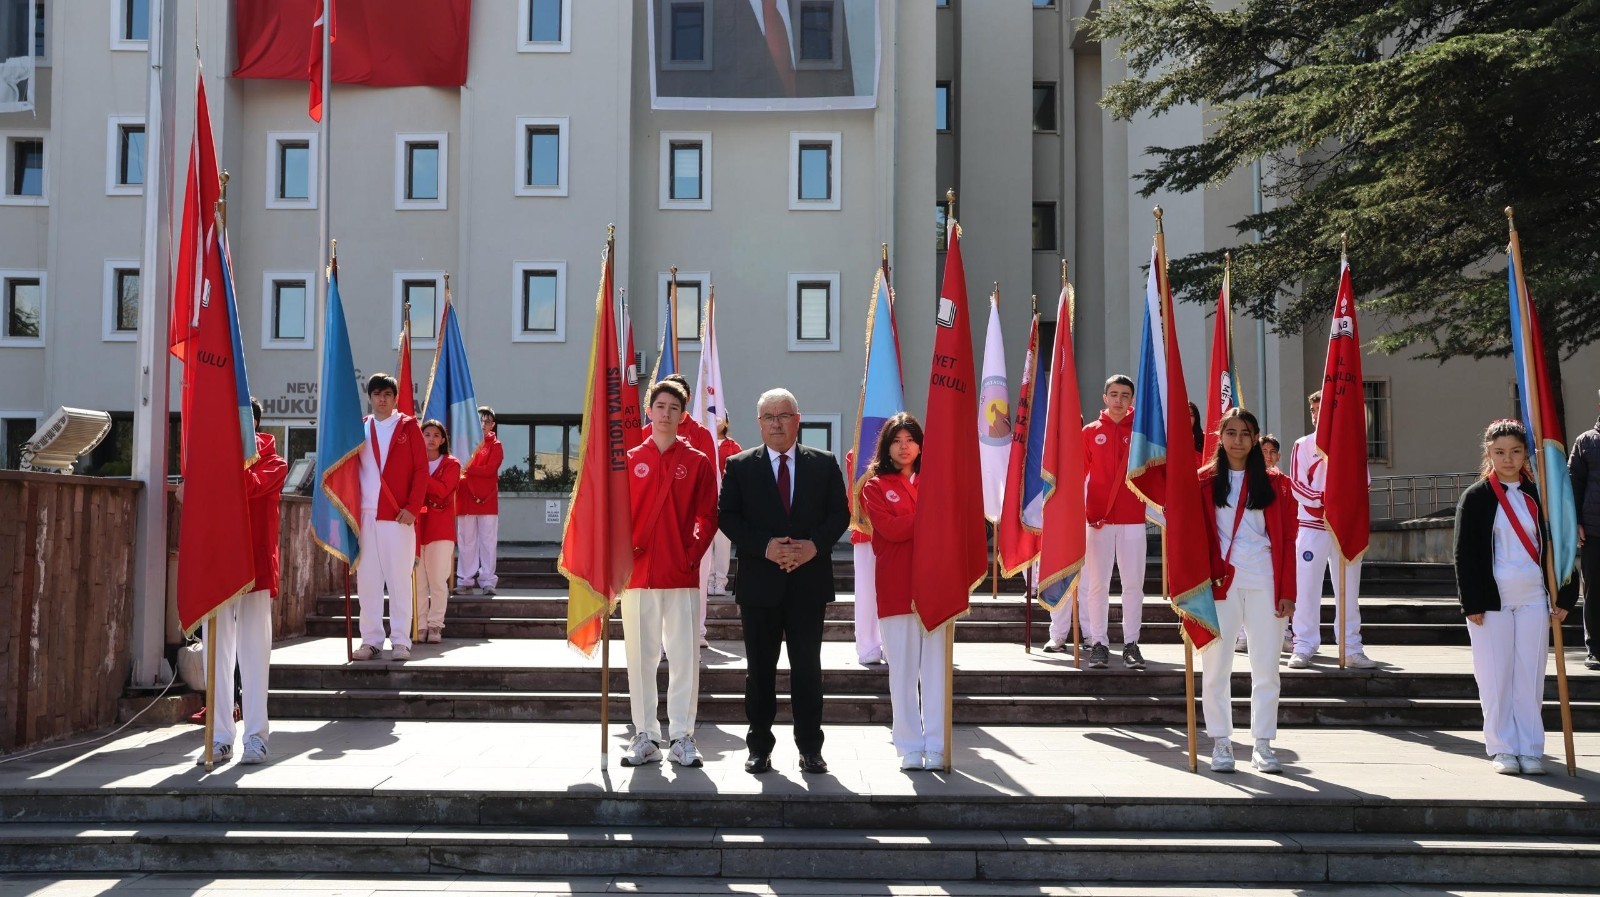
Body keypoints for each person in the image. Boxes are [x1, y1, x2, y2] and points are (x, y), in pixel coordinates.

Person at [719, 388, 850, 775]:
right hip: (760, 586)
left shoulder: (823, 463)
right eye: (769, 417)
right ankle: (759, 747)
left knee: (807, 670)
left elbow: (839, 515)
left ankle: (810, 747)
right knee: (760, 671)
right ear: (759, 423)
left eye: (784, 415)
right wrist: (766, 547)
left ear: (798, 419)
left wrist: (813, 547)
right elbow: (728, 517)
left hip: (808, 584)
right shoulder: (740, 466)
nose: (776, 423)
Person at [1454, 418, 1578, 774]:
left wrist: (1565, 595)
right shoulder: (1475, 497)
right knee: (1495, 676)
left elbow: (1563, 545)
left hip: (1534, 598)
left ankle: (1530, 748)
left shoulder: (1541, 496)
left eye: (1515, 451)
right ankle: (1502, 747)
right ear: (1488, 454)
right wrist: (1471, 602)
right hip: (1491, 601)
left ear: (1526, 454)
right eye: (1499, 452)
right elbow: (1464, 553)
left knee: (1529, 676)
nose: (1507, 459)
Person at [620, 380, 718, 768]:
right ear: (649, 410)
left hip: (680, 575)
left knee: (683, 658)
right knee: (640, 658)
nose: (665, 413)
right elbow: (615, 515)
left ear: (682, 415)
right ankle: (645, 734)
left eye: (673, 408)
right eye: (660, 406)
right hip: (637, 576)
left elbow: (708, 516)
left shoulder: (697, 461)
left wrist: (690, 556)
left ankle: (681, 735)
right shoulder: (628, 459)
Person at [1198, 408, 1297, 774]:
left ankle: (1263, 744)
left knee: (1267, 667)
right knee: (1216, 666)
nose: (1237, 440)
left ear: (1255, 438)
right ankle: (1221, 742)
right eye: (1231, 432)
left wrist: (1288, 590)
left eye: (1245, 433)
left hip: (1265, 580)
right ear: (1220, 436)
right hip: (1219, 583)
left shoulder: (1276, 484)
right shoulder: (1203, 482)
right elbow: (1189, 536)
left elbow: (1288, 539)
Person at [195, 398, 287, 765]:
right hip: (216, 565)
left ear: (254, 424)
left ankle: (256, 737)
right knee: (215, 651)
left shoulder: (273, 461)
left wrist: (224, 462)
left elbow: (243, 488)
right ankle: (219, 736)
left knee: (253, 652)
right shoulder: (210, 455)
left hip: (254, 567)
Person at [861, 413, 950, 771]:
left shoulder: (937, 483)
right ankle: (910, 746)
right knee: (902, 673)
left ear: (920, 445)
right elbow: (890, 529)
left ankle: (938, 745)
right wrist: (931, 518)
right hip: (897, 588)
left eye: (910, 440)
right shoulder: (874, 486)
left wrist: (930, 519)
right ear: (886, 446)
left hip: (936, 587)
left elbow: (948, 527)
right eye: (896, 441)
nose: (904, 447)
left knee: (936, 671)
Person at [1047, 375, 1147, 671]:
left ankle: (1131, 644)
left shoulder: (1141, 433)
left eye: (1125, 395)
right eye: (1114, 394)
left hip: (1133, 519)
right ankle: (1099, 643)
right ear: (1105, 398)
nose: (1119, 400)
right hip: (1097, 520)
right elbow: (1076, 476)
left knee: (1133, 585)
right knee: (1097, 586)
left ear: (1132, 400)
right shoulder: (1090, 432)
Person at [1287, 391, 1377, 669]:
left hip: (1345, 527)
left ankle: (1350, 646)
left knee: (1349, 589)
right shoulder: (1303, 445)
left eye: (1322, 409)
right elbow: (1297, 485)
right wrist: (1326, 501)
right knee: (1306, 587)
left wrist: (1341, 505)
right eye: (1313, 410)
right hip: (1312, 526)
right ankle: (1304, 644)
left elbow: (1364, 484)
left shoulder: (1353, 446)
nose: (1317, 415)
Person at [354, 373, 428, 662]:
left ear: (395, 398)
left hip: (398, 516)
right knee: (367, 583)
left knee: (398, 581)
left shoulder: (409, 427)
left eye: (387, 394)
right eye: (377, 394)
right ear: (370, 397)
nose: (382, 399)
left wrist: (413, 507)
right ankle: (371, 640)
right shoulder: (360, 427)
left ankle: (400, 641)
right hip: (365, 515)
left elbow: (421, 470)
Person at [1239, 434, 1291, 654]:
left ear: (1279, 456)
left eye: (1272, 452)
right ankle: (1242, 636)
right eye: (1264, 452)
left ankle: (1284, 634)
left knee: (1277, 596)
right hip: (1246, 553)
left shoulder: (1283, 483)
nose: (1268, 456)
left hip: (1273, 550)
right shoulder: (1245, 480)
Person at [417, 420, 460, 644]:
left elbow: (443, 491)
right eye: (427, 434)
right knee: (418, 582)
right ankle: (420, 625)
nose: (431, 439)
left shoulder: (451, 464)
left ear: (443, 440)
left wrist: (420, 476)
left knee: (437, 580)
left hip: (440, 529)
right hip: (415, 527)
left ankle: (435, 625)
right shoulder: (414, 461)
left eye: (436, 435)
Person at [456, 406, 504, 597]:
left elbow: (489, 470)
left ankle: (488, 581)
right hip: (466, 497)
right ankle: (465, 581)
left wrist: (468, 469)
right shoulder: (463, 443)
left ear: (493, 425)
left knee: (487, 542)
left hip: (487, 500)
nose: (483, 424)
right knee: (466, 542)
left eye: (487, 421)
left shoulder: (495, 445)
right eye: (480, 420)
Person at [1569, 390, 1600, 671]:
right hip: (1593, 531)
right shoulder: (1586, 441)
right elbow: (1573, 484)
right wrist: (1575, 520)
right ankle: (1595, 650)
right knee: (1594, 592)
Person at [847, 448, 884, 665]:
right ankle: (868, 645)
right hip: (868, 533)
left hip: (901, 532)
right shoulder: (859, 450)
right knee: (867, 591)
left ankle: (892, 644)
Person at [706, 417, 742, 597]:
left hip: (725, 500)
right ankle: (708, 579)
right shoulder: (702, 442)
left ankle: (720, 581)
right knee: (706, 542)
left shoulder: (733, 447)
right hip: (705, 499)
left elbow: (740, 475)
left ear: (726, 422)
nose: (716, 421)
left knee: (722, 543)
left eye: (719, 418)